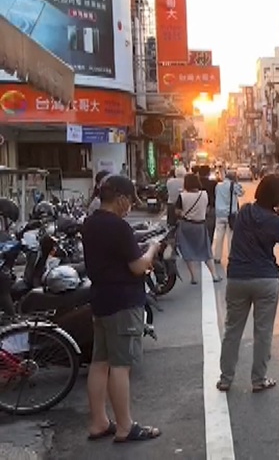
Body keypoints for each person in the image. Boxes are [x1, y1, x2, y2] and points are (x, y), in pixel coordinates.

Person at [82, 175, 162, 443]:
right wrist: (151, 250)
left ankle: (98, 422)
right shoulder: (118, 226)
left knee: (99, 362)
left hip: (101, 299)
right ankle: (125, 426)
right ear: (120, 199)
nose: (130, 206)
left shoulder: (90, 223)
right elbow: (138, 266)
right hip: (123, 302)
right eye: (129, 201)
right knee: (120, 365)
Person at [217, 174, 279, 393]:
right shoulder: (275, 223)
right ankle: (258, 379)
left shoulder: (245, 211)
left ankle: (225, 379)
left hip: (238, 277)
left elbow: (265, 216)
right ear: (278, 197)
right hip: (265, 280)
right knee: (263, 331)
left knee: (232, 330)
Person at [176, 173, 220, 284]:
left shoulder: (182, 196)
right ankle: (214, 275)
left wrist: (184, 214)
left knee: (187, 249)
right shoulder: (204, 194)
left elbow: (177, 211)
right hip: (200, 225)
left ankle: (194, 277)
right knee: (206, 249)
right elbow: (209, 208)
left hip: (186, 225)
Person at [214, 170, 245, 265]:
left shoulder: (218, 186)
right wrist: (237, 182)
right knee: (231, 237)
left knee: (219, 237)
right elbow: (242, 192)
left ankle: (217, 257)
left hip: (219, 214)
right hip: (230, 215)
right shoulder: (233, 186)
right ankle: (231, 256)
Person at [196, 165, 220, 245]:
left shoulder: (195, 183)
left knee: (198, 232)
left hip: (197, 209)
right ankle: (208, 249)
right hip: (211, 208)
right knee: (210, 232)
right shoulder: (213, 183)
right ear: (209, 173)